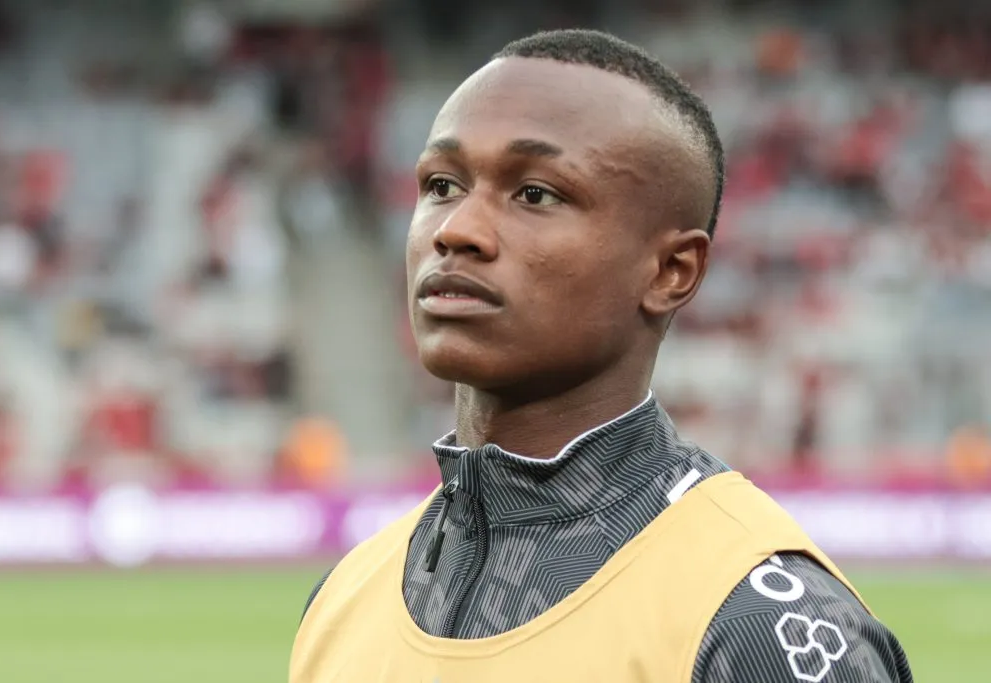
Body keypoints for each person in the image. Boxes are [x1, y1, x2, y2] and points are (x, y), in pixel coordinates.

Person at [289, 29, 913, 682]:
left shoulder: (758, 628)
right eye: (442, 184)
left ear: (671, 270)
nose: (456, 230)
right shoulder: (344, 597)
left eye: (535, 194)